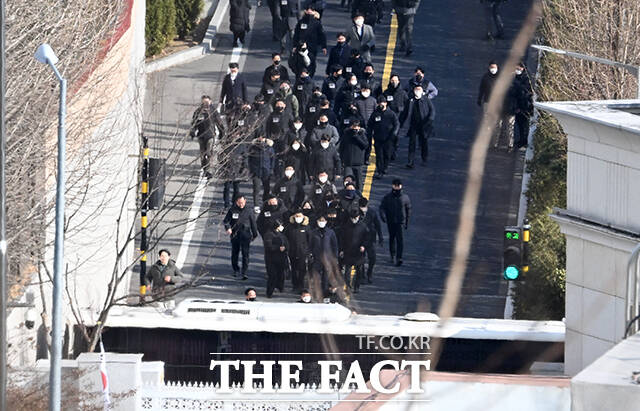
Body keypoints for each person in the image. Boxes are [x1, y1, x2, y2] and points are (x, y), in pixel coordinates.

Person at [399, 84, 435, 168]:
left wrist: (429, 120)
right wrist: (400, 123)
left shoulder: (426, 100)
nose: (417, 91)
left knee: (424, 142)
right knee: (412, 143)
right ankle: (410, 161)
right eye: (416, 89)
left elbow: (432, 110)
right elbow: (404, 112)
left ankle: (424, 159)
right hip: (413, 125)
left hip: (424, 125)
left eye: (419, 89)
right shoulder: (410, 100)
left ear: (422, 91)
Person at [223, 194, 258, 279]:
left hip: (245, 234)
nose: (241, 204)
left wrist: (254, 234)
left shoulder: (249, 211)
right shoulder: (232, 210)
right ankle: (235, 269)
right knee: (235, 253)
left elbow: (253, 223)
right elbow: (226, 221)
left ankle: (244, 271)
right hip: (235, 234)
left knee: (245, 254)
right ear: (236, 202)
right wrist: (228, 228)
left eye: (242, 202)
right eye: (239, 203)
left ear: (245, 201)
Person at [189, 95, 226, 177]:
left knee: (209, 153)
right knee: (202, 154)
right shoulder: (198, 112)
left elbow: (219, 123)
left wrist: (222, 133)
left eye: (207, 101)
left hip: (210, 136)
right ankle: (204, 168)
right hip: (201, 136)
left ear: (210, 102)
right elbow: (194, 124)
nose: (205, 103)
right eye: (203, 101)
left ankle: (208, 170)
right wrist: (192, 132)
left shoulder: (213, 111)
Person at [379, 179, 411, 266]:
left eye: (398, 185)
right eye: (395, 185)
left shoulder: (405, 198)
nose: (396, 187)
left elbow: (408, 210)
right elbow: (382, 207)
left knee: (400, 240)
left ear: (401, 186)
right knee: (392, 238)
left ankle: (399, 257)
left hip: (400, 222)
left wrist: (406, 222)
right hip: (391, 221)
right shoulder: (387, 197)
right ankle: (392, 255)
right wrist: (383, 217)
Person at [309, 214, 339, 300]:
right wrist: (310, 254)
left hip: (327, 258)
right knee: (316, 276)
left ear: (326, 222)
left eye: (323, 221)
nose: (321, 222)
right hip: (316, 258)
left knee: (326, 277)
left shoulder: (330, 232)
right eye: (320, 221)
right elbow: (310, 245)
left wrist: (335, 257)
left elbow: (334, 245)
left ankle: (324, 293)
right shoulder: (313, 232)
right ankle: (316, 292)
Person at [368, 96, 399, 178]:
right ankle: (380, 171)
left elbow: (396, 124)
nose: (381, 104)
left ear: (386, 103)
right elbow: (370, 125)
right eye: (379, 103)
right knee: (379, 155)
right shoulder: (375, 114)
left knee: (387, 154)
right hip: (378, 138)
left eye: (382, 102)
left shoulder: (391, 114)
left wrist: (394, 134)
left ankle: (385, 167)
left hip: (388, 138)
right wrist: (369, 134)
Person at [292, 6, 327, 76]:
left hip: (312, 46)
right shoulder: (301, 22)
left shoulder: (317, 23)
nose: (309, 11)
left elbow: (321, 34)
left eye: (311, 10)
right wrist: (295, 45)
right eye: (308, 10)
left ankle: (310, 76)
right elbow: (296, 34)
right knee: (300, 62)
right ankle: (300, 76)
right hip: (301, 46)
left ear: (314, 12)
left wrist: (324, 46)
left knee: (311, 62)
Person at [339, 209, 368, 293]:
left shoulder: (363, 226)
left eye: (355, 218)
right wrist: (341, 249)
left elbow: (367, 238)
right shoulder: (346, 226)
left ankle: (357, 286)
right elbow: (342, 238)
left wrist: (363, 246)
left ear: (358, 217)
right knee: (347, 271)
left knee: (358, 271)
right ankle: (348, 286)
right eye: (352, 218)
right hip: (348, 251)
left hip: (358, 253)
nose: (353, 219)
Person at [382, 74, 408, 160]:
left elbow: (407, 106)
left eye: (396, 80)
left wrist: (401, 112)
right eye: (392, 80)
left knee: (395, 136)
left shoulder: (403, 93)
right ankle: (388, 152)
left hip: (398, 118)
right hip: (388, 119)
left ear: (399, 81)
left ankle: (393, 151)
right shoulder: (386, 92)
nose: (394, 82)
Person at [286, 209, 311, 291]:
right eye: (296, 216)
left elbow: (310, 239)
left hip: (302, 252)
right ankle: (295, 284)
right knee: (293, 268)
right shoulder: (290, 227)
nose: (298, 218)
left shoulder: (306, 227)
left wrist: (308, 250)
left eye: (299, 216)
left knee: (302, 269)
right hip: (292, 251)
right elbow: (286, 238)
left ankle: (301, 284)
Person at [263, 220, 290, 297]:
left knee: (281, 274)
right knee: (272, 276)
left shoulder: (282, 235)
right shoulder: (269, 235)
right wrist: (278, 248)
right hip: (271, 259)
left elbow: (287, 244)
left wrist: (285, 248)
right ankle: (269, 292)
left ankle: (280, 288)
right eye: (280, 225)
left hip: (281, 258)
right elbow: (268, 246)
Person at [248, 135, 275, 210]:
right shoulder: (253, 148)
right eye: (259, 137)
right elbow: (249, 159)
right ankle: (256, 205)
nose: (261, 139)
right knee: (256, 189)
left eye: (262, 137)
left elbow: (273, 159)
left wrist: (271, 169)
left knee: (267, 188)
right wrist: (251, 169)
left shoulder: (269, 148)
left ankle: (265, 202)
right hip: (256, 171)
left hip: (266, 171)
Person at [340, 119, 368, 190]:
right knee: (347, 180)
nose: (354, 128)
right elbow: (341, 147)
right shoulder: (346, 134)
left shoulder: (362, 134)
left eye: (356, 127)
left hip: (358, 162)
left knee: (358, 181)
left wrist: (357, 137)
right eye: (353, 127)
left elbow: (365, 145)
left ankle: (358, 195)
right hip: (347, 162)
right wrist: (342, 159)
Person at [359, 197, 382, 283]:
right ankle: (362, 275)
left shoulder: (372, 213)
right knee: (360, 259)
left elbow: (378, 224)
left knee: (372, 258)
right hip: (360, 239)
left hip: (370, 239)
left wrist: (380, 237)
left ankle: (369, 273)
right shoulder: (356, 213)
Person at [513, 62, 533, 149]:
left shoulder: (526, 79)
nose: (517, 71)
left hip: (525, 106)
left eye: (519, 69)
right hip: (517, 105)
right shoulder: (515, 78)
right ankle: (521, 140)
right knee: (519, 124)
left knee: (524, 125)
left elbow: (526, 93)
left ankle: (524, 141)